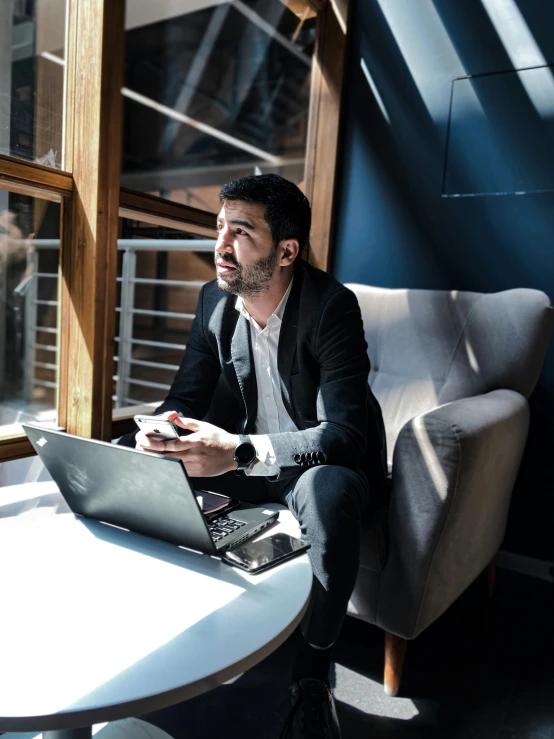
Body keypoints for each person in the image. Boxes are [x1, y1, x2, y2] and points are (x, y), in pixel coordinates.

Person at [119, 174, 388, 738]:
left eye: (240, 232)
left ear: (286, 251)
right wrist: (158, 432)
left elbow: (343, 435)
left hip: (322, 467)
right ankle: (161, 633)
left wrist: (237, 452)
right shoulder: (214, 302)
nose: (220, 245)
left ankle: (314, 677)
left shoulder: (332, 308)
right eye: (219, 227)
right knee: (136, 460)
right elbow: (185, 398)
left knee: (327, 489)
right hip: (250, 464)